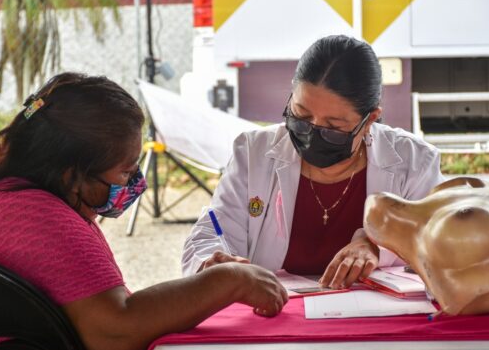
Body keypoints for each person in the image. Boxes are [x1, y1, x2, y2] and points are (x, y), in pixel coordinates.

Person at [0, 73, 288, 350]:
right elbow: (117, 331)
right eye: (125, 172)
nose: (134, 183)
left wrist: (203, 286)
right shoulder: (44, 219)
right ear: (72, 174)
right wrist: (226, 282)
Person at [182, 35, 445, 290]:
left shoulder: (413, 162)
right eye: (301, 116)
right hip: (275, 318)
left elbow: (441, 243)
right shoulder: (253, 154)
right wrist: (214, 260)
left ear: (370, 120)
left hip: (377, 324)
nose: (312, 133)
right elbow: (213, 229)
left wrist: (378, 245)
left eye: (333, 127)